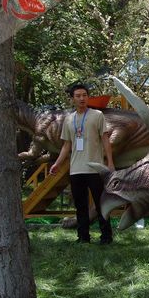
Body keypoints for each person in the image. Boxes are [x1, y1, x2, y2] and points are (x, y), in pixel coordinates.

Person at [50, 83, 115, 244]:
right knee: (80, 205)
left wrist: (110, 162)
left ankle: (106, 236)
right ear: (72, 99)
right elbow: (66, 145)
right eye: (78, 96)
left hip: (95, 168)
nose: (82, 98)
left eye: (84, 95)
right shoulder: (68, 119)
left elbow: (105, 140)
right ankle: (83, 237)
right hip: (76, 169)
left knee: (101, 204)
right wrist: (57, 164)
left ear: (88, 97)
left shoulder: (97, 115)